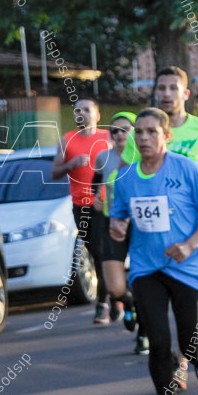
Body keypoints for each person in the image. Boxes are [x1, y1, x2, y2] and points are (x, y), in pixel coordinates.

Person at [110, 108, 198, 395]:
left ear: (166, 136)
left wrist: (189, 245)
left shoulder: (186, 169)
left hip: (188, 268)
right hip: (148, 269)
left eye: (151, 132)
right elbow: (119, 217)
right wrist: (118, 227)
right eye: (139, 133)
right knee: (159, 344)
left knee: (191, 341)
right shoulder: (127, 177)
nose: (143, 138)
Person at [121, 67, 198, 361]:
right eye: (162, 88)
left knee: (187, 318)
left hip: (195, 230)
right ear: (155, 92)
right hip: (154, 235)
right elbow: (125, 175)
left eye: (173, 88)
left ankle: (187, 359)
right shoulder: (144, 132)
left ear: (185, 93)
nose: (167, 94)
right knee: (170, 312)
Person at [50, 98, 111, 323]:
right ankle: (116, 296)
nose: (81, 113)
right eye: (77, 110)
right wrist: (71, 164)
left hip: (107, 205)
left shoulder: (108, 138)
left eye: (86, 110)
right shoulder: (66, 140)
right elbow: (54, 173)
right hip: (81, 206)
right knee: (96, 254)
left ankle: (103, 304)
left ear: (97, 115)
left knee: (106, 254)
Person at [93, 112, 144, 341]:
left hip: (140, 222)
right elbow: (96, 183)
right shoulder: (103, 157)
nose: (120, 134)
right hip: (111, 221)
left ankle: (145, 331)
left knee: (142, 276)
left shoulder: (143, 156)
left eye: (126, 129)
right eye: (115, 130)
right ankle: (130, 305)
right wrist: (96, 197)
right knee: (114, 285)